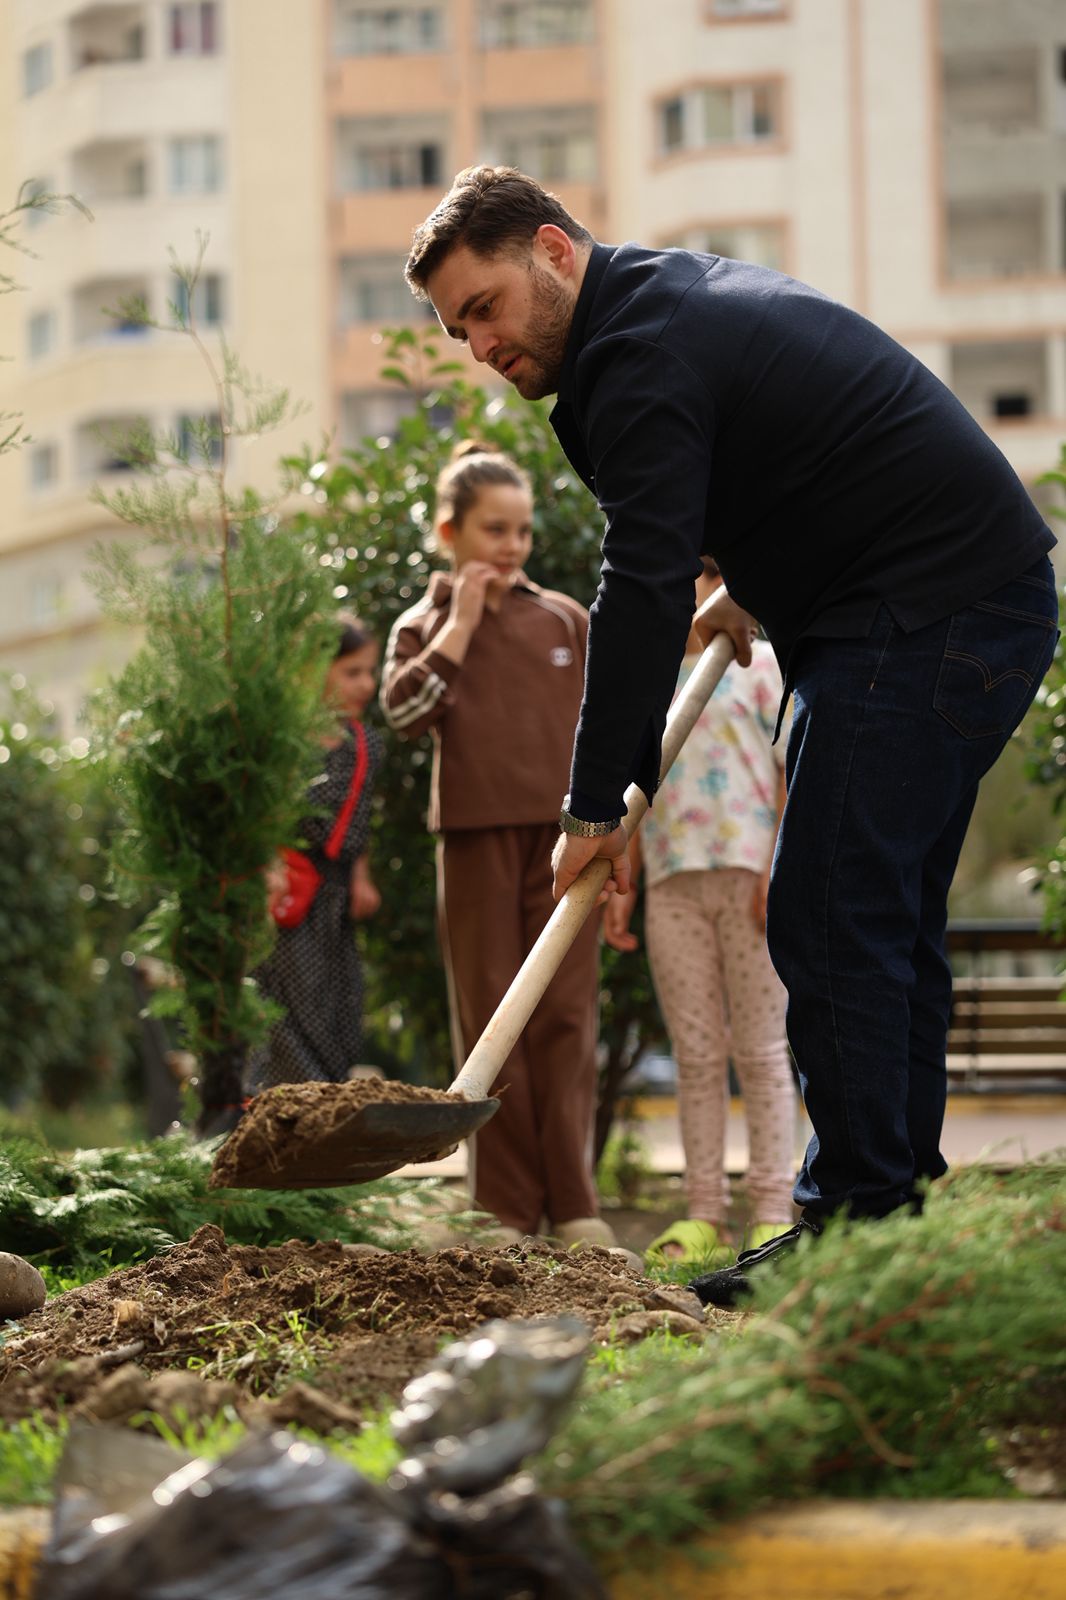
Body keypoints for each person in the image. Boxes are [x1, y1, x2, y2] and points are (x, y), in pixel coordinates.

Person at [403, 165, 1059, 1304]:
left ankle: (855, 1225)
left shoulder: (636, 350)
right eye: (459, 329)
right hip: (947, 600)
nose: (480, 346)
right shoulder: (654, 313)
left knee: (831, 907)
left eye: (485, 308)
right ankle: (888, 1220)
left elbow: (641, 578)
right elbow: (786, 469)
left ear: (552, 250)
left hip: (927, 608)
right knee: (879, 916)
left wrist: (594, 805)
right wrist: (744, 582)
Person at [380, 441, 613, 1248]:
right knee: (491, 1020)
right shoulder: (422, 625)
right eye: (493, 530)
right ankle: (505, 1211)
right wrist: (462, 622)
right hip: (473, 840)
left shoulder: (566, 618)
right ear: (450, 532)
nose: (512, 546)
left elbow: (609, 735)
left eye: (522, 530)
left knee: (568, 1018)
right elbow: (404, 715)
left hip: (568, 846)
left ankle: (575, 1204)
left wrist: (625, 850)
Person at [604, 558, 795, 1267]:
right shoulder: (650, 679)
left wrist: (776, 870)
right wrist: (628, 884)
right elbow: (635, 792)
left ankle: (772, 1211)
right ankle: (704, 1213)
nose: (690, 585)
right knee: (696, 1055)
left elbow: (788, 773)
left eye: (703, 571)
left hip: (749, 878)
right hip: (673, 884)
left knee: (762, 1051)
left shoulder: (763, 666)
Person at [247, 613, 382, 1093]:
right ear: (311, 669)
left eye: (370, 671)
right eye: (352, 672)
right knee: (291, 1003)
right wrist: (268, 863)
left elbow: (360, 818)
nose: (366, 684)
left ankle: (329, 1098)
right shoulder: (285, 741)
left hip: (336, 896)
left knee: (339, 1001)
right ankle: (296, 1100)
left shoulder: (364, 744)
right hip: (291, 892)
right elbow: (259, 808)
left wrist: (361, 875)